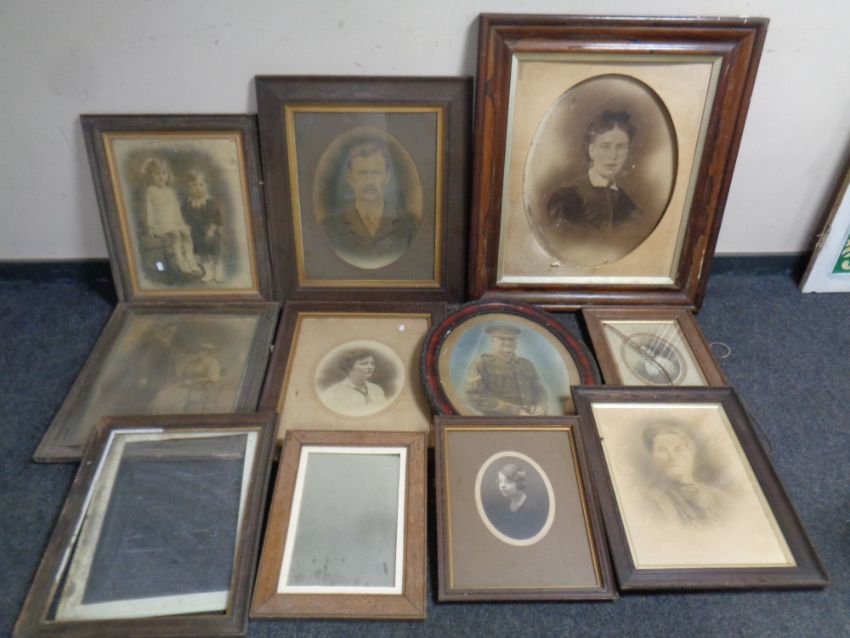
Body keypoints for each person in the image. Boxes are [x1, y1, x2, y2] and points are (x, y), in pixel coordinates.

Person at [324, 141, 419, 268]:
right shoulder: (330, 227)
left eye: (376, 173)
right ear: (350, 178)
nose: (369, 181)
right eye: (362, 173)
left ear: (387, 177)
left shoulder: (410, 225)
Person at [547, 110, 642, 233]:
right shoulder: (567, 198)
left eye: (621, 147)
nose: (613, 155)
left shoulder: (628, 205)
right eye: (605, 146)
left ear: (627, 153)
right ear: (591, 150)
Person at [642, 424, 726, 527]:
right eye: (662, 450)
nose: (672, 457)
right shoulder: (652, 500)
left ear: (691, 451)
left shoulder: (719, 496)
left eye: (678, 449)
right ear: (652, 458)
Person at [464, 325, 548, 416]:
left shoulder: (526, 364)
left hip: (530, 417)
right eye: (502, 339)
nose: (507, 342)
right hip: (498, 420)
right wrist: (515, 411)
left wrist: (541, 406)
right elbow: (475, 397)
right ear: (492, 341)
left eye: (512, 339)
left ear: (516, 342)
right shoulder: (482, 363)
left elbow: (540, 391)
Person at [141, 157, 201, 275]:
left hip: (172, 222)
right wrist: (150, 227)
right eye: (157, 174)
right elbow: (149, 210)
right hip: (160, 225)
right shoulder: (151, 190)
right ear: (150, 176)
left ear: (168, 175)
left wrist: (180, 222)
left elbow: (176, 209)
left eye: (164, 173)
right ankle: (180, 260)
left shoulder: (170, 191)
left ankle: (190, 259)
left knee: (186, 232)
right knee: (176, 235)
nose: (161, 177)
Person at [482, 462, 549, 542]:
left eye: (508, 482)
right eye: (500, 481)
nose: (502, 486)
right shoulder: (502, 504)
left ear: (519, 483)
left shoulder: (531, 507)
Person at [181, 170, 225, 283]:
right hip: (196, 233)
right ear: (188, 187)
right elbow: (183, 217)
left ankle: (218, 271)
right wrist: (185, 227)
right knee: (203, 254)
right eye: (193, 185)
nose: (198, 188)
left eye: (201, 184)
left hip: (211, 232)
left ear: (206, 185)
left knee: (215, 252)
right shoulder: (187, 203)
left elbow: (218, 219)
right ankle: (208, 272)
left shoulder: (210, 202)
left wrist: (212, 230)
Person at [320, 349, 387, 415]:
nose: (370, 367)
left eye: (372, 363)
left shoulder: (377, 389)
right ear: (349, 367)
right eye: (364, 364)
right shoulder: (332, 393)